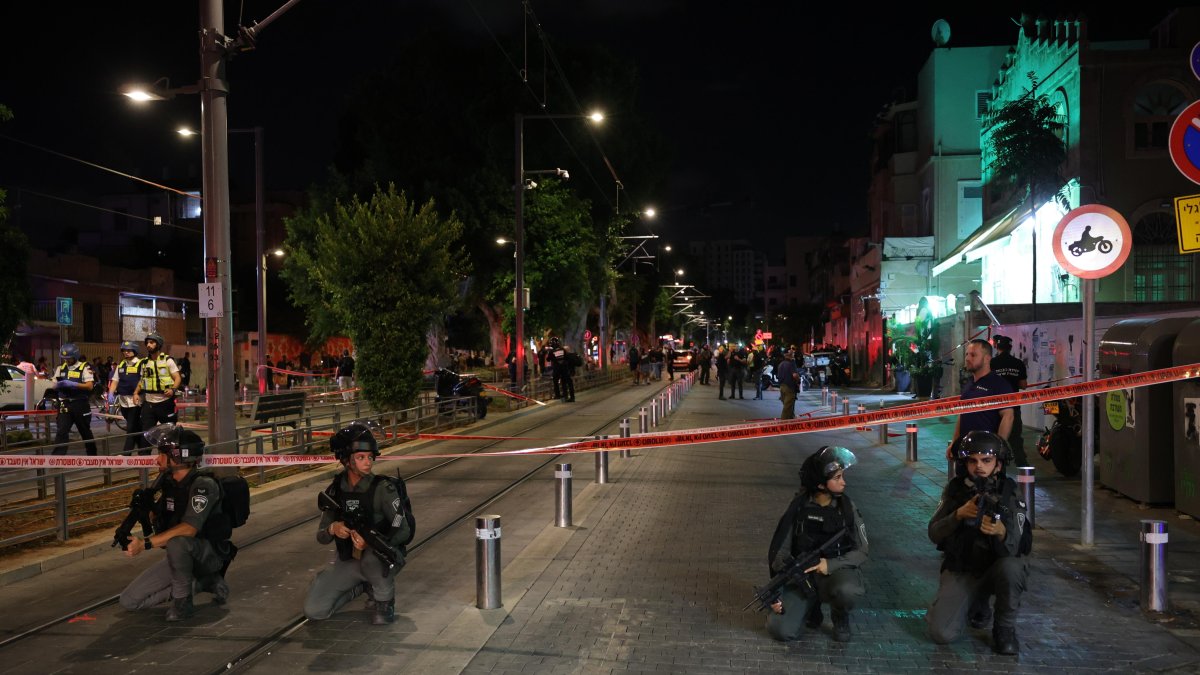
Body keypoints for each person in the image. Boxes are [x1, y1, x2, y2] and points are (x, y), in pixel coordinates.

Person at [927, 431, 1031, 655]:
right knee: (942, 634)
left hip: (996, 569)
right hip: (964, 569)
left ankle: (1004, 629)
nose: (979, 467)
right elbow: (934, 533)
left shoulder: (1010, 492)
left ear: (999, 464)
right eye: (973, 461)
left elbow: (1020, 544)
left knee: (1012, 567)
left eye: (986, 460)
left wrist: (1002, 532)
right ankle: (976, 603)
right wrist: (957, 515)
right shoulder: (955, 490)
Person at [119, 424, 235, 621]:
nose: (157, 459)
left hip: (208, 555)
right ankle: (202, 583)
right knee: (129, 601)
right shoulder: (170, 483)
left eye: (162, 454)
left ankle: (183, 602)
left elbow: (189, 529)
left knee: (178, 541)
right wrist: (148, 510)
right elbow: (164, 520)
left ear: (178, 456)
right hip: (180, 558)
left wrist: (145, 544)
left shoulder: (203, 485)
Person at [304, 423, 414, 625]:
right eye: (361, 457)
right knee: (315, 610)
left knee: (371, 561)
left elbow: (403, 529)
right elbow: (321, 536)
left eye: (370, 457)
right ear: (346, 460)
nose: (368, 462)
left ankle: (384, 600)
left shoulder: (383, 488)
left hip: (381, 559)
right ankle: (360, 586)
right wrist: (333, 528)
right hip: (349, 561)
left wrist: (374, 541)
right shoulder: (336, 491)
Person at [766, 446, 868, 643]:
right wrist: (777, 593)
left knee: (848, 589)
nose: (843, 482)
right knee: (780, 630)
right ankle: (811, 610)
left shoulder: (847, 508)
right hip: (802, 577)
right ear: (821, 485)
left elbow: (862, 551)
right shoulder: (798, 507)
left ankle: (840, 616)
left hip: (835, 574)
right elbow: (779, 552)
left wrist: (829, 565)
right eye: (837, 478)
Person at [949, 339, 1014, 459]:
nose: (968, 358)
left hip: (985, 454)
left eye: (973, 355)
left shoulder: (999, 385)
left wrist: (998, 449)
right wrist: (954, 442)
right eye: (967, 354)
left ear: (987, 359)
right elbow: (962, 414)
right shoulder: (969, 383)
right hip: (966, 450)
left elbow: (1008, 416)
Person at [51, 343, 99, 456]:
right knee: (62, 431)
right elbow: (53, 384)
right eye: (64, 358)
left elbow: (89, 386)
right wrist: (56, 385)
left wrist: (73, 384)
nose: (66, 361)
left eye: (69, 358)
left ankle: (93, 456)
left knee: (85, 431)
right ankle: (57, 459)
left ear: (75, 356)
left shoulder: (84, 367)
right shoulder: (60, 368)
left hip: (80, 403)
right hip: (65, 403)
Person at [989, 335, 1028, 467]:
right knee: (1016, 440)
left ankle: (997, 467)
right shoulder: (1018, 363)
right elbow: (1023, 385)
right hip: (1013, 407)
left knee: (995, 438)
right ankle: (1023, 469)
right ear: (1010, 348)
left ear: (996, 347)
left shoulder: (992, 363)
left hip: (995, 408)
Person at [108, 340, 150, 454]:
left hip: (136, 401)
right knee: (136, 427)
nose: (126, 353)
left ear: (135, 351)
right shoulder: (121, 364)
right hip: (123, 402)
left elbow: (142, 381)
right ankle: (143, 451)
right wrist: (110, 393)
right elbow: (115, 381)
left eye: (129, 350)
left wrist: (136, 393)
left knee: (131, 427)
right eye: (124, 351)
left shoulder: (141, 364)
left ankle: (126, 454)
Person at [136, 332, 181, 435]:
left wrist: (173, 389)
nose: (148, 345)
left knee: (170, 434)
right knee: (146, 435)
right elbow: (141, 380)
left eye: (151, 342)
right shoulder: (144, 363)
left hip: (165, 402)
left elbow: (177, 377)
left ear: (158, 344)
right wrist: (135, 393)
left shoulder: (168, 360)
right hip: (148, 403)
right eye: (147, 343)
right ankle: (144, 451)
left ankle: (166, 451)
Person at [776, 347, 800, 419]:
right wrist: (798, 380)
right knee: (787, 409)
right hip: (789, 387)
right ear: (789, 355)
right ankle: (783, 424)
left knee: (788, 407)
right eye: (792, 353)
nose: (793, 354)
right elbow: (795, 375)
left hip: (782, 387)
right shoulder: (791, 363)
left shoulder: (781, 364)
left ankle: (791, 420)